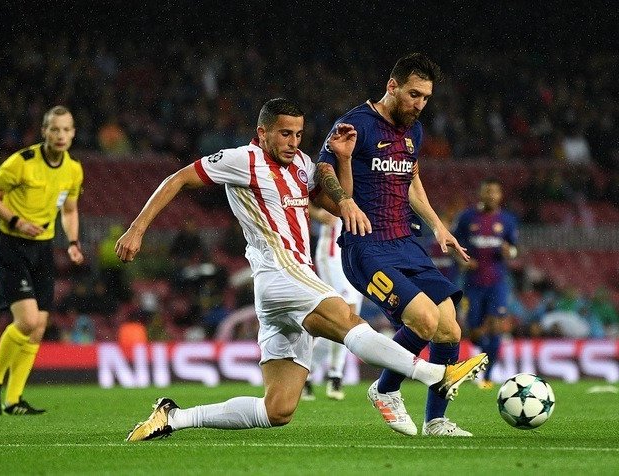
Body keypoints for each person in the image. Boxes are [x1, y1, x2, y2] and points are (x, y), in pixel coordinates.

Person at [116, 98, 487, 441]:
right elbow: (179, 178)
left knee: (277, 409)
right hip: (281, 272)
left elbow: (341, 204)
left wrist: (343, 161)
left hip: (286, 285)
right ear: (262, 132)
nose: (293, 142)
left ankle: (174, 417)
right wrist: (137, 228)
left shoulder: (303, 166)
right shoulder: (242, 159)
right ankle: (434, 374)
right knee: (349, 320)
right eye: (284, 134)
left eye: (298, 134)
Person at [318, 53, 476, 436]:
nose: (420, 104)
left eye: (426, 98)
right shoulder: (356, 123)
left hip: (406, 241)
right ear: (392, 86)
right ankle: (385, 389)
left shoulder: (413, 132)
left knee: (450, 330)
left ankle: (436, 420)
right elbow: (323, 167)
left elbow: (411, 181)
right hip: (366, 247)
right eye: (414, 94)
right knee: (424, 319)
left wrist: (438, 226)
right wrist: (345, 201)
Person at [0, 105, 84, 415]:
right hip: (10, 243)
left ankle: (13, 400)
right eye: (55, 129)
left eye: (66, 129)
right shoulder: (21, 162)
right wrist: (16, 221)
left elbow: (69, 210)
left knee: (38, 327)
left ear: (73, 134)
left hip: (43, 247)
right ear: (44, 132)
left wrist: (73, 242)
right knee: (26, 321)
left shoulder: (73, 170)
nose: (60, 135)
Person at [453, 178, 519, 389]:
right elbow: (454, 245)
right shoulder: (467, 218)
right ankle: (485, 355)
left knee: (495, 326)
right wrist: (462, 260)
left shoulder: (507, 220)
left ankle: (488, 377)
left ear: (500, 195)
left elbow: (514, 249)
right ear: (480, 194)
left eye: (494, 192)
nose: (491, 195)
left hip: (497, 282)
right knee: (474, 332)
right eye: (487, 191)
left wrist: (510, 252)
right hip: (473, 283)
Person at [301, 205, 364, 401]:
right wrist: (317, 213)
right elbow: (304, 193)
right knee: (344, 317)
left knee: (346, 322)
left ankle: (306, 373)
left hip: (359, 255)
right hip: (334, 254)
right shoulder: (338, 184)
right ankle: (335, 376)